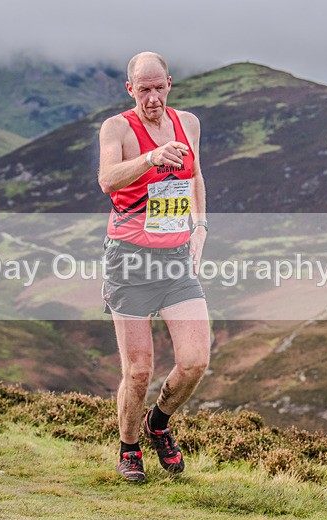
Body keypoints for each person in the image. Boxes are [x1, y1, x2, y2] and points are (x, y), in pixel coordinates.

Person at [97, 52, 211, 482]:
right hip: (128, 258)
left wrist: (199, 225)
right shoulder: (118, 128)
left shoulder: (189, 124)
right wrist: (150, 158)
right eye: (143, 89)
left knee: (195, 361)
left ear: (169, 84)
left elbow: (195, 175)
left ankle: (157, 423)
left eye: (158, 87)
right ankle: (128, 448)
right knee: (139, 369)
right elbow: (107, 180)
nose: (152, 97)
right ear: (131, 90)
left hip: (175, 260)